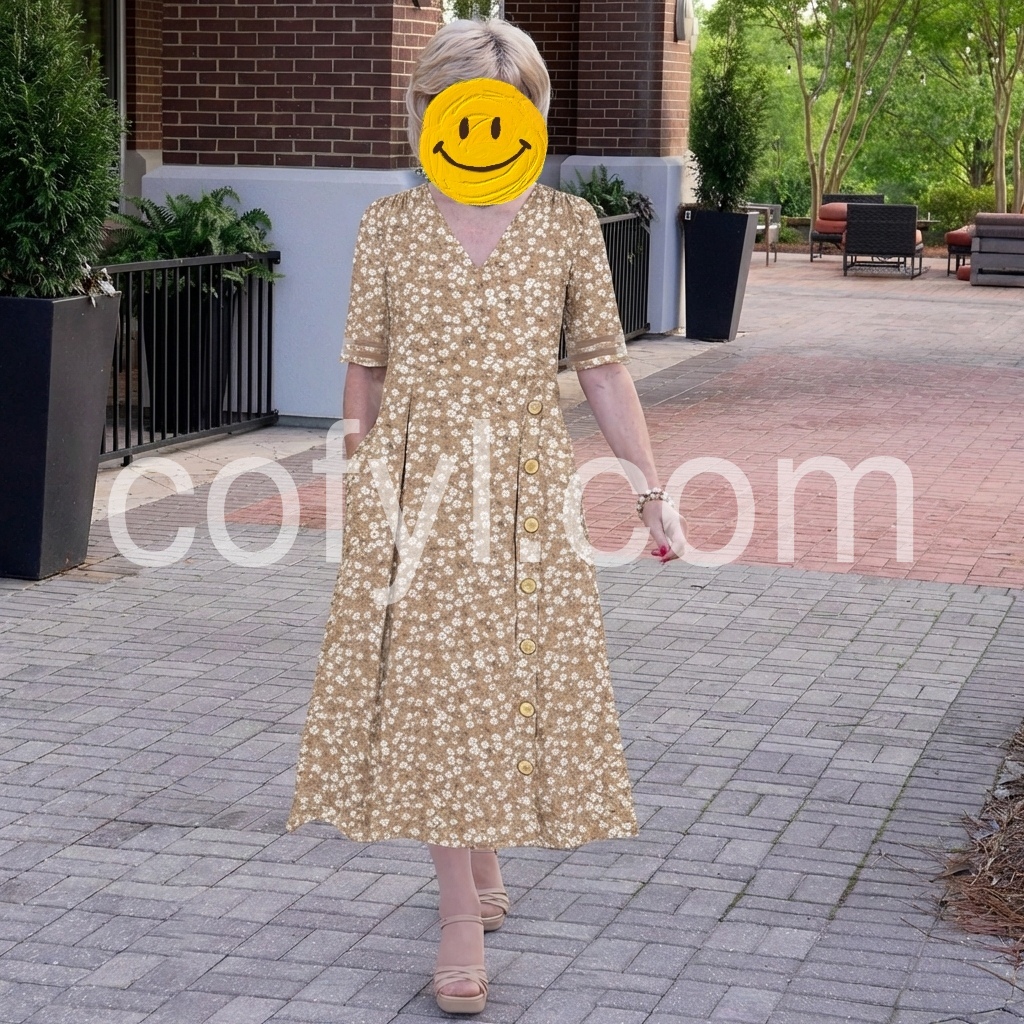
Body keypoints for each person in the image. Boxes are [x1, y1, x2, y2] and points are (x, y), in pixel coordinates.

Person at [287, 17, 686, 1016]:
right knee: (434, 689)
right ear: (427, 113)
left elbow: (603, 368)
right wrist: (358, 480)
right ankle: (458, 910)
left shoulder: (567, 225)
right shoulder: (389, 224)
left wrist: (648, 490)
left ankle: (484, 852)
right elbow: (364, 367)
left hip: (521, 483)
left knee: (499, 678)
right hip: (413, 482)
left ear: (531, 116)